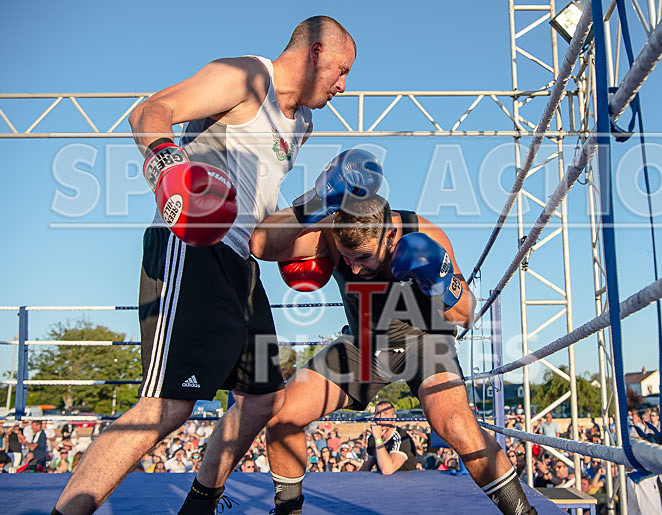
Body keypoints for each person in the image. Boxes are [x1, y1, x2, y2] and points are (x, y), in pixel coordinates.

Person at [53, 15, 356, 515]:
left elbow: (259, 220)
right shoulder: (243, 77)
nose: (344, 86)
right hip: (190, 248)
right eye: (342, 70)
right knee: (168, 407)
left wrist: (318, 209)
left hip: (241, 266)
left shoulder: (302, 123)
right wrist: (168, 169)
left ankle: (199, 505)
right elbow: (151, 111)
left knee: (262, 398)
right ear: (316, 52)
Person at [253, 195, 536, 514]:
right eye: (347, 259)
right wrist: (315, 203)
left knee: (456, 423)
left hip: (425, 341)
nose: (355, 268)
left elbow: (464, 314)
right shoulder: (333, 231)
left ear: (388, 236)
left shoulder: (426, 233)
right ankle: (288, 511)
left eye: (362, 257)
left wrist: (441, 283)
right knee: (283, 415)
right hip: (364, 344)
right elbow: (261, 247)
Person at [359, 401, 417, 474]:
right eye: (378, 414)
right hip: (382, 483)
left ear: (394, 418)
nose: (381, 417)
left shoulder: (401, 438)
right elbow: (367, 466)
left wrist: (378, 438)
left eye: (385, 414)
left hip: (405, 483)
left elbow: (387, 470)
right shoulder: (372, 437)